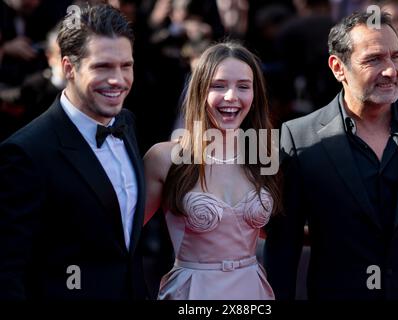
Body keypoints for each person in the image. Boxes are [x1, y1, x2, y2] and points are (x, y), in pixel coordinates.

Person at [264, 11, 398, 300]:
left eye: (395, 56)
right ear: (338, 67)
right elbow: (283, 247)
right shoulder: (298, 137)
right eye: (374, 59)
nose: (390, 70)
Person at [0, 4, 147, 299]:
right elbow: (6, 270)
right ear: (68, 67)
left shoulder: (126, 123)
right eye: (102, 66)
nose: (118, 79)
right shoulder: (26, 153)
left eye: (126, 65)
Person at [143, 41, 281, 300]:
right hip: (192, 293)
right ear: (200, 91)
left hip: (252, 292)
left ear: (255, 95)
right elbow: (124, 233)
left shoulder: (266, 155)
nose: (231, 96)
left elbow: (271, 231)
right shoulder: (165, 158)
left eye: (243, 86)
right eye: (218, 86)